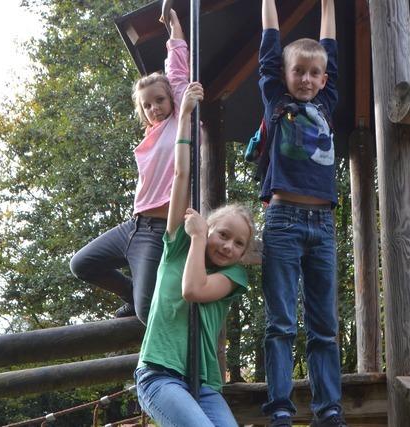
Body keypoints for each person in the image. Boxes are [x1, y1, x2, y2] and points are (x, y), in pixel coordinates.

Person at [134, 81, 255, 427]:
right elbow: (180, 174)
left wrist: (202, 238)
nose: (228, 246)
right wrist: (184, 114)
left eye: (238, 244)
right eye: (223, 235)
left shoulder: (232, 277)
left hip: (203, 386)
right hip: (159, 376)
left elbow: (195, 290)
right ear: (207, 227)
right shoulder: (176, 246)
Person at [258, 1, 346, 426]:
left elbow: (331, 47)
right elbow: (270, 49)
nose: (307, 79)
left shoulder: (327, 102)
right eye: (299, 72)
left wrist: (328, 5)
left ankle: (328, 409)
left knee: (324, 325)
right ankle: (279, 408)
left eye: (314, 73)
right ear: (285, 77)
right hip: (283, 221)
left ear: (324, 79)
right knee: (281, 322)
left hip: (323, 227)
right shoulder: (277, 100)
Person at [69, 10, 188, 324]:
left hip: (158, 231)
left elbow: (177, 74)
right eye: (147, 105)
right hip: (133, 226)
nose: (154, 108)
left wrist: (174, 29)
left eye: (160, 100)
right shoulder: (150, 136)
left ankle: (166, 365)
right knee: (81, 264)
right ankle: (130, 292)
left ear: (172, 101)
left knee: (148, 311)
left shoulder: (179, 124)